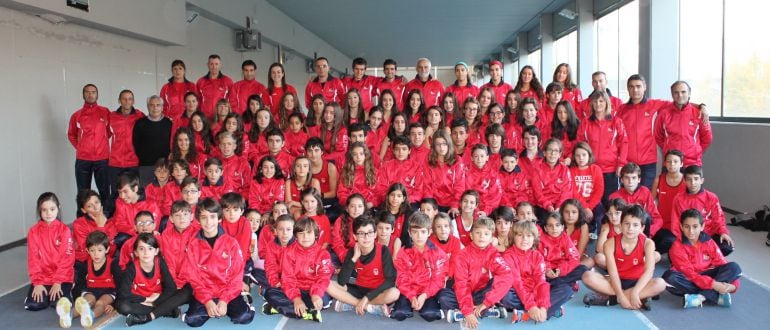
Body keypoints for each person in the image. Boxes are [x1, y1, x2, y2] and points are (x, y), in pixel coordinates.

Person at [182, 198, 255, 327]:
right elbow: (193, 278)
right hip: (205, 292)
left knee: (244, 318)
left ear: (219, 219)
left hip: (227, 291)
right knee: (192, 320)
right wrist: (208, 301)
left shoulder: (231, 243)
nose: (208, 222)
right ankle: (212, 309)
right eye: (204, 217)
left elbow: (237, 275)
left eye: (212, 217)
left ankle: (241, 302)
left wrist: (224, 300)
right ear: (198, 220)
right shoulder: (193, 245)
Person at [582, 205, 666, 310]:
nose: (630, 229)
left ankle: (611, 299)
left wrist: (635, 291)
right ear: (621, 225)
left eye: (635, 225)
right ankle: (642, 296)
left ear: (642, 228)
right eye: (627, 224)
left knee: (660, 284)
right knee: (587, 276)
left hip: (638, 282)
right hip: (616, 280)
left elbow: (649, 271)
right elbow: (612, 272)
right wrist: (620, 295)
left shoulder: (648, 243)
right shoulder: (610, 243)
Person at [437, 217, 512, 327]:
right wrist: (468, 313)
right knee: (443, 296)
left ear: (491, 238)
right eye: (478, 233)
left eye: (486, 234)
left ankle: (466, 312)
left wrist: (487, 302)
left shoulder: (492, 254)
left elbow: (507, 276)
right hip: (462, 292)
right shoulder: (462, 256)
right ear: (471, 235)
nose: (482, 236)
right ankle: (485, 311)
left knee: (501, 285)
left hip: (481, 293)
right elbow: (461, 285)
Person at [662, 209, 741, 308]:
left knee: (734, 267)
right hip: (689, 278)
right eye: (687, 226)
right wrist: (714, 285)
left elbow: (723, 265)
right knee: (669, 278)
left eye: (695, 227)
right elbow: (691, 275)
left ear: (702, 227)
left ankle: (700, 297)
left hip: (707, 275)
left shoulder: (709, 242)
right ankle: (715, 295)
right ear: (681, 227)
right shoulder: (676, 247)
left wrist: (733, 286)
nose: (691, 231)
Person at [501, 220, 574, 323]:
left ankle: (528, 313)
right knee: (505, 296)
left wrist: (543, 307)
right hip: (517, 291)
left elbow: (541, 282)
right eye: (520, 235)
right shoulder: (508, 256)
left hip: (534, 290)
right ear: (513, 237)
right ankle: (547, 310)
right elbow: (517, 284)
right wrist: (532, 307)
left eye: (529, 236)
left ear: (534, 239)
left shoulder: (537, 256)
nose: (524, 239)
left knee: (566, 289)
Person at [328, 216, 400, 318]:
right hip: (360, 289)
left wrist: (366, 298)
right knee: (327, 284)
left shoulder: (384, 250)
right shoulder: (353, 252)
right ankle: (367, 307)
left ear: (375, 235)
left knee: (394, 293)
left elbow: (390, 280)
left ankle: (352, 304)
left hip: (378, 292)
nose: (366, 237)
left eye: (369, 233)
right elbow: (341, 281)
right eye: (361, 233)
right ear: (355, 236)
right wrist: (353, 259)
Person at [263, 218, 333, 322]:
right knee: (269, 293)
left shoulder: (323, 254)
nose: (305, 237)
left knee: (324, 301)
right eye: (301, 233)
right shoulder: (289, 252)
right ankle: (307, 313)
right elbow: (288, 279)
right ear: (296, 236)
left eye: (309, 232)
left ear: (316, 234)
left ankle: (280, 308)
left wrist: (316, 294)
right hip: (294, 288)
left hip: (312, 290)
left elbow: (324, 278)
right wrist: (296, 299)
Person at [26, 193, 75, 327]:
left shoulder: (64, 230)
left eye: (52, 209)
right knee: (33, 305)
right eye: (44, 210)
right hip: (42, 278)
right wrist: (37, 283)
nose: (48, 213)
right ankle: (42, 294)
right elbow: (33, 258)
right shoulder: (33, 231)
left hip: (61, 278)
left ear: (58, 208)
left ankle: (68, 292)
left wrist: (58, 282)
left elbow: (67, 258)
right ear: (39, 211)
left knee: (57, 305)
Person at [391, 213, 448, 322]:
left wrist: (424, 295)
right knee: (400, 314)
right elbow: (401, 278)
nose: (419, 236)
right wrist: (411, 296)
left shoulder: (438, 254)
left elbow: (438, 280)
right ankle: (407, 305)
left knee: (430, 315)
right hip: (409, 290)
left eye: (422, 232)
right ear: (409, 233)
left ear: (429, 232)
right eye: (415, 232)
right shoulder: (403, 252)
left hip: (428, 291)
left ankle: (432, 306)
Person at [115, 233, 181, 327]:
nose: (146, 253)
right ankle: (167, 311)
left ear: (156, 251)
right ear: (136, 252)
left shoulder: (160, 262)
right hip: (140, 300)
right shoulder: (132, 267)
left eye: (150, 248)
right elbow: (123, 293)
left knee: (177, 294)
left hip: (157, 298)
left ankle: (158, 311)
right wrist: (146, 299)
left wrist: (154, 302)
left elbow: (171, 287)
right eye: (141, 249)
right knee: (121, 306)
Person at [578, 90, 628, 205]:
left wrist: (621, 164)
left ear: (607, 103)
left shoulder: (616, 122)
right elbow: (580, 144)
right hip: (591, 169)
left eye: (601, 101)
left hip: (611, 170)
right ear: (591, 104)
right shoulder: (585, 123)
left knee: (610, 203)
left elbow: (624, 143)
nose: (598, 104)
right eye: (595, 101)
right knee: (592, 203)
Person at [670, 165, 733, 256]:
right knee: (673, 252)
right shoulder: (678, 198)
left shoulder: (711, 197)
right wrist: (682, 239)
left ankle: (703, 257)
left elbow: (718, 219)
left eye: (696, 179)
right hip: (688, 235)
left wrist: (723, 232)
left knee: (727, 246)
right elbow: (675, 223)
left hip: (707, 234)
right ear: (684, 181)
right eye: (689, 179)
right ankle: (702, 256)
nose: (693, 183)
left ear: (702, 180)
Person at [68, 84, 110, 215]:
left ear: (97, 95)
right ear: (83, 95)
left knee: (104, 190)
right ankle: (82, 219)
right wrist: (81, 147)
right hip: (83, 159)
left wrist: (101, 145)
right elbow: (71, 134)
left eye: (93, 92)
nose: (90, 94)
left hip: (102, 158)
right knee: (82, 191)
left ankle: (106, 217)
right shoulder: (77, 115)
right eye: (87, 92)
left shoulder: (105, 112)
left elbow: (109, 132)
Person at [654, 81, 713, 167]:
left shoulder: (699, 114)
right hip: (671, 163)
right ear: (672, 94)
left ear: (689, 93)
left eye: (683, 92)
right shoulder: (664, 114)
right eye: (676, 92)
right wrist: (668, 149)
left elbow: (707, 138)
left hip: (692, 163)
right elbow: (658, 137)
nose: (680, 95)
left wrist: (695, 152)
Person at [107, 90, 144, 216]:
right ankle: (115, 218)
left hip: (133, 160)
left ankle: (135, 217)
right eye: (124, 99)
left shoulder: (140, 116)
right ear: (119, 100)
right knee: (116, 193)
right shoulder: (111, 116)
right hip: (115, 162)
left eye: (129, 99)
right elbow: (104, 135)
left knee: (134, 192)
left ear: (133, 101)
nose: (127, 101)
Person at [72, 231, 119, 328]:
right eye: (92, 250)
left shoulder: (113, 264)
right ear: (88, 251)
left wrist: (114, 305)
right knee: (87, 301)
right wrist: (78, 299)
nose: (96, 254)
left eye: (99, 250)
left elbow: (120, 286)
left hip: (108, 291)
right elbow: (79, 284)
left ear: (107, 249)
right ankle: (68, 315)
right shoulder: (85, 265)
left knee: (100, 303)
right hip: (91, 290)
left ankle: (90, 315)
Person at [609, 163, 663, 238]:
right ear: (621, 180)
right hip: (623, 233)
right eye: (627, 178)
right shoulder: (614, 197)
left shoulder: (645, 192)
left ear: (639, 179)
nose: (630, 181)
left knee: (647, 218)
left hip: (643, 232)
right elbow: (612, 223)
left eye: (634, 178)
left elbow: (657, 219)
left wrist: (648, 233)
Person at [539, 212, 588, 291]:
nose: (554, 228)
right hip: (548, 272)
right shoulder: (541, 240)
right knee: (538, 275)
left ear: (562, 227)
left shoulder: (565, 238)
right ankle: (565, 283)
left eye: (557, 225)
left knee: (583, 269)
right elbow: (539, 260)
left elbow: (574, 258)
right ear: (545, 228)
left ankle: (557, 284)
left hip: (563, 270)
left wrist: (561, 270)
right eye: (550, 226)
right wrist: (547, 270)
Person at [112, 172, 162, 248]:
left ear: (135, 189)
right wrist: (135, 231)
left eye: (125, 192)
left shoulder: (150, 203)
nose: (122, 196)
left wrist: (141, 232)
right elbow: (119, 223)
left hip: (148, 235)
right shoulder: (119, 201)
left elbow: (154, 225)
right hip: (132, 234)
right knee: (119, 239)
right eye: (119, 192)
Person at [422, 130, 466, 214]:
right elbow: (427, 186)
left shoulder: (457, 160)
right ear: (434, 146)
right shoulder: (428, 161)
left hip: (451, 204)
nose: (441, 147)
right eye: (438, 144)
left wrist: (454, 205)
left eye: (444, 144)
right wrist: (430, 206)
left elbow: (459, 186)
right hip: (434, 203)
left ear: (449, 144)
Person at [133, 95, 172, 187]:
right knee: (146, 194)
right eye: (152, 105)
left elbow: (172, 143)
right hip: (146, 166)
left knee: (164, 195)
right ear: (147, 107)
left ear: (162, 107)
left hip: (164, 167)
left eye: (158, 105)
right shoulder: (140, 124)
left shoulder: (169, 124)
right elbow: (136, 144)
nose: (155, 108)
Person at [652, 149, 686, 253]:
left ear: (681, 164)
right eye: (669, 161)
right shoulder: (659, 179)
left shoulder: (686, 182)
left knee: (671, 241)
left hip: (678, 227)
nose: (672, 164)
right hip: (660, 225)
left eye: (675, 161)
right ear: (665, 163)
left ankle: (652, 256)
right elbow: (651, 202)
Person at [220, 193, 254, 295]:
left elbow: (242, 252)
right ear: (222, 211)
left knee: (242, 286)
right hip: (225, 261)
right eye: (227, 210)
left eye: (235, 210)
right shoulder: (219, 224)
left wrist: (237, 278)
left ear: (242, 211)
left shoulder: (245, 224)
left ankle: (243, 282)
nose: (231, 214)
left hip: (242, 260)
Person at [72, 190, 116, 267]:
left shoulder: (110, 221)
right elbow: (89, 249)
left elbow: (111, 250)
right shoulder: (79, 224)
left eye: (97, 202)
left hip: (104, 258)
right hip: (85, 260)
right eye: (89, 206)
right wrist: (100, 227)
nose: (95, 207)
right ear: (83, 210)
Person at [531, 139, 574, 216]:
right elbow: (537, 193)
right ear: (544, 153)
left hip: (561, 205)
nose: (553, 153)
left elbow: (567, 191)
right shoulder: (537, 169)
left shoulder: (564, 169)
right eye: (550, 150)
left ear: (560, 154)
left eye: (556, 151)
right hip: (543, 205)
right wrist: (548, 205)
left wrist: (559, 206)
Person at [571, 142, 604, 235]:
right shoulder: (571, 171)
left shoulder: (596, 169)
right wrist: (585, 207)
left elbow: (599, 191)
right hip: (577, 203)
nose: (581, 158)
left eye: (584, 155)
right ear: (574, 157)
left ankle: (597, 236)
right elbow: (573, 192)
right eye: (578, 155)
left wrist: (590, 207)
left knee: (600, 214)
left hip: (593, 202)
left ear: (589, 155)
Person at [331, 194, 367, 267]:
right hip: (343, 254)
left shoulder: (368, 223)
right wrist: (346, 258)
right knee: (329, 258)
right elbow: (336, 243)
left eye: (360, 206)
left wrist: (357, 258)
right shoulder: (340, 221)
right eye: (352, 206)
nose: (356, 210)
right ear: (347, 209)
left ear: (364, 208)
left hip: (361, 255)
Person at [465, 144, 502, 215]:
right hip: (470, 208)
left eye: (482, 156)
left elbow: (495, 196)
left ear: (487, 157)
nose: (479, 159)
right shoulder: (466, 172)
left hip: (488, 210)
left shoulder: (493, 174)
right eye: (476, 156)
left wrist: (486, 211)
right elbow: (466, 193)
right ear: (472, 158)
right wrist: (475, 210)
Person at [337, 142, 377, 206]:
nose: (358, 157)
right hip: (351, 206)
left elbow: (378, 193)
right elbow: (342, 193)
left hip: (369, 206)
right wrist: (351, 204)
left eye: (361, 154)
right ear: (351, 156)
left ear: (366, 155)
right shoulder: (346, 172)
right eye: (355, 154)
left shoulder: (374, 172)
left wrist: (372, 203)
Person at [196, 54, 234, 119]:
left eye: (216, 64)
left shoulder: (228, 81)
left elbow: (232, 101)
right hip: (205, 118)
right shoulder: (201, 81)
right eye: (211, 64)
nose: (214, 67)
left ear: (220, 65)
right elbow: (197, 101)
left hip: (221, 118)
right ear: (207, 65)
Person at [594, 198, 627, 269]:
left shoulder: (630, 225)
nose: (613, 217)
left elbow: (643, 244)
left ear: (624, 213)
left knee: (655, 255)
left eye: (617, 213)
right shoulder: (607, 226)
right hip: (613, 259)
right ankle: (623, 271)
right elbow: (599, 249)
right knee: (599, 257)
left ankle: (621, 271)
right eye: (610, 214)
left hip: (628, 259)